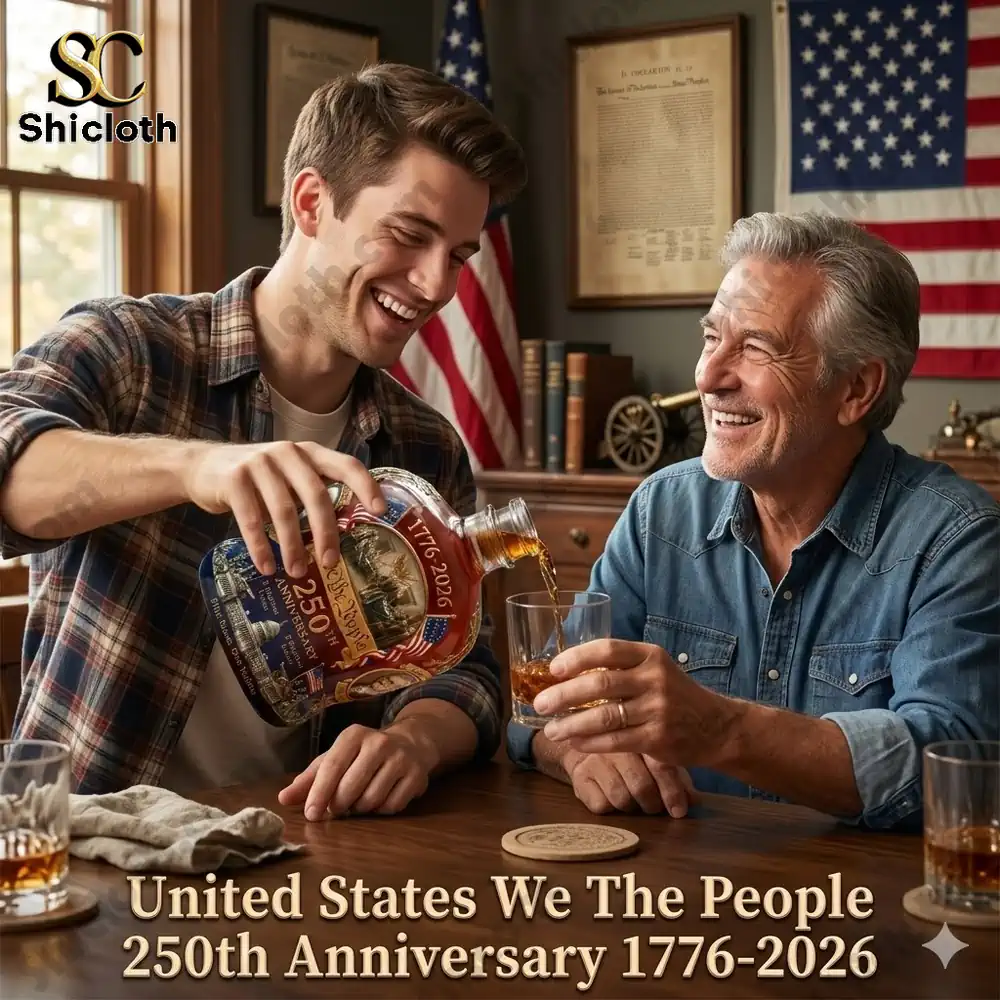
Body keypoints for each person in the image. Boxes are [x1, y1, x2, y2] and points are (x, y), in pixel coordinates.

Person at [0, 62, 527, 818]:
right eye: (410, 235)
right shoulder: (127, 350)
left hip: (288, 854)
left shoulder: (425, 447)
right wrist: (197, 467)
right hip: (88, 855)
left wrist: (413, 739)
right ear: (312, 203)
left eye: (459, 256)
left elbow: (467, 669)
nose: (436, 285)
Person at [507, 212, 1000, 831]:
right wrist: (579, 752)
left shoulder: (957, 539)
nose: (708, 378)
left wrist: (719, 728)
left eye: (756, 348)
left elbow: (950, 763)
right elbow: (538, 711)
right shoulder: (659, 513)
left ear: (857, 388)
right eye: (712, 338)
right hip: (678, 900)